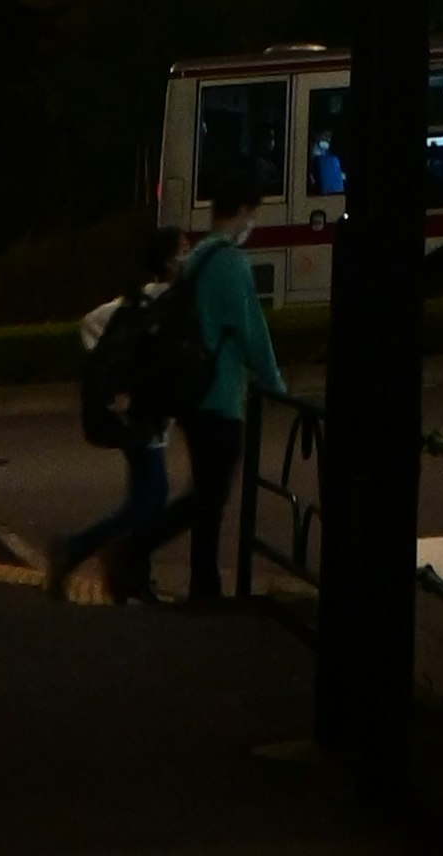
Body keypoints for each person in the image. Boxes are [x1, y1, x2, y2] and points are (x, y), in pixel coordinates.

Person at [54, 233, 187, 606]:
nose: (187, 259)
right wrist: (123, 378)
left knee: (147, 498)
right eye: (182, 252)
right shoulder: (160, 302)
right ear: (166, 262)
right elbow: (90, 324)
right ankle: (78, 550)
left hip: (144, 418)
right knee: (148, 501)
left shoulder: (141, 301)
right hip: (144, 420)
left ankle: (130, 577)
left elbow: (92, 326)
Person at [171, 188, 286, 607]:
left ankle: (203, 586)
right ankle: (140, 550)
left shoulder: (197, 257)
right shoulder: (231, 262)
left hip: (189, 391)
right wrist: (274, 382)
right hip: (218, 393)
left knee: (205, 495)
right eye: (251, 214)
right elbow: (251, 329)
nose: (251, 225)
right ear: (239, 210)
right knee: (209, 497)